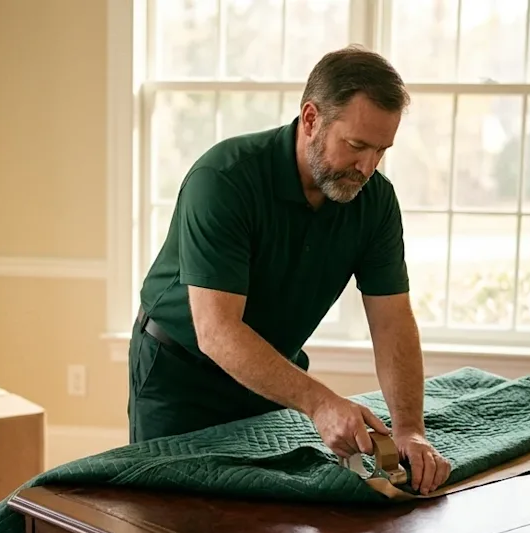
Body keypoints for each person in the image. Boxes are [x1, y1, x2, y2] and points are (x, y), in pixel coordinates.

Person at [127, 45, 451, 495]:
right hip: (182, 377)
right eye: (356, 145)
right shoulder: (223, 180)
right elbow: (217, 331)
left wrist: (410, 429)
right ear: (311, 119)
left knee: (269, 526)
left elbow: (392, 320)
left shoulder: (374, 199)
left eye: (382, 150)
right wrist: (320, 403)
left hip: (272, 374)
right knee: (174, 526)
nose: (368, 166)